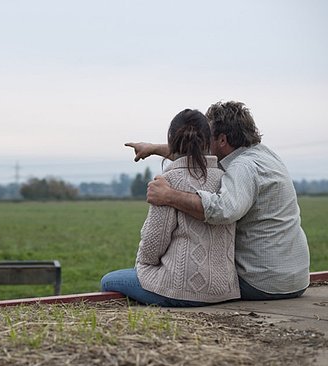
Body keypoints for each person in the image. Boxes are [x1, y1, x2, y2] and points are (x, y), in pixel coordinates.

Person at [126, 101, 310, 300]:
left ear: (222, 140)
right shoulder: (264, 155)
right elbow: (194, 153)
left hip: (261, 282)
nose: (201, 142)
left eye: (206, 136)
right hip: (295, 280)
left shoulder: (243, 167)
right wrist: (153, 148)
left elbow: (223, 210)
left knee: (125, 280)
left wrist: (169, 195)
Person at [100, 109, 240, 307]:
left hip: (181, 290)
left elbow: (152, 245)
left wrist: (143, 269)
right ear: (209, 140)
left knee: (109, 281)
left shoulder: (168, 181)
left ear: (171, 141)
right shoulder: (226, 178)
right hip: (224, 289)